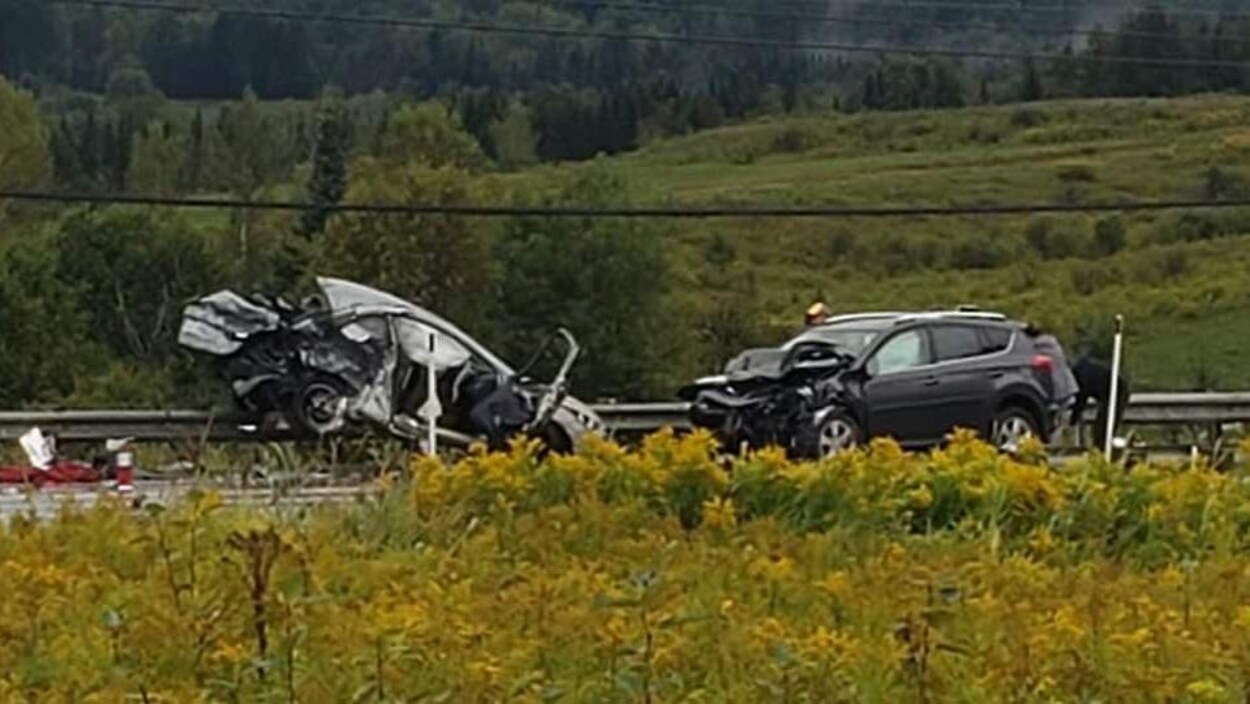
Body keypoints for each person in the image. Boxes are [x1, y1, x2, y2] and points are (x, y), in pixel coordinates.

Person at [1071, 355, 1131, 448]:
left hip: (1117, 392)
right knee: (1101, 427)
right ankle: (1101, 446)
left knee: (1103, 428)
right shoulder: (1083, 370)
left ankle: (1102, 448)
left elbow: (1081, 398)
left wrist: (1073, 419)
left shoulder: (1081, 376)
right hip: (1114, 390)